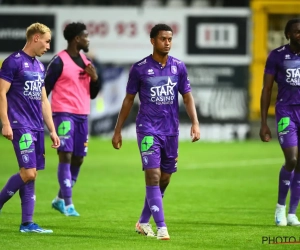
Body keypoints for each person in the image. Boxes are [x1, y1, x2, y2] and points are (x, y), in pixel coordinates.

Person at [112, 23, 200, 240]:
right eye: (163, 39)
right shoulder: (140, 68)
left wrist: (195, 123)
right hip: (148, 129)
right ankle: (162, 227)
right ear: (152, 40)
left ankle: (143, 222)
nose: (167, 43)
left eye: (170, 39)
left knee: (165, 178)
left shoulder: (178, 67)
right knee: (153, 175)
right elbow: (128, 100)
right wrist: (118, 130)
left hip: (171, 131)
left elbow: (187, 96)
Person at [0, 22, 60, 233]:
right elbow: (1, 93)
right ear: (35, 38)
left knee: (30, 173)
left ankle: (27, 223)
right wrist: (6, 123)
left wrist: (51, 130)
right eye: (46, 41)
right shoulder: (13, 62)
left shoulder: (39, 66)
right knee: (29, 173)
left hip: (36, 128)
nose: (47, 46)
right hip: (20, 125)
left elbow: (44, 101)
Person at [45, 22, 100, 216]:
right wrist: (40, 112)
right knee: (65, 155)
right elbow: (45, 88)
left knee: (78, 158)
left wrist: (95, 78)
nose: (88, 39)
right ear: (77, 39)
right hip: (63, 114)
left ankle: (60, 199)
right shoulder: (59, 61)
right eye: (86, 36)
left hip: (82, 116)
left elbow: (93, 94)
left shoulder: (86, 62)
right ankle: (68, 204)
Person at [260, 18, 300, 227]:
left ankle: (293, 213)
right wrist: (264, 122)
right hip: (286, 113)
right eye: (296, 32)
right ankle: (280, 208)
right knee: (292, 159)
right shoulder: (277, 56)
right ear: (288, 35)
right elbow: (266, 89)